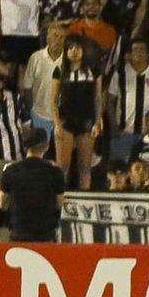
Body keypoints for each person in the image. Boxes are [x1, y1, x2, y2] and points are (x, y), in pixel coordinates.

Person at [0, 127, 63, 242]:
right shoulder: (55, 172)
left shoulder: (10, 171)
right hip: (45, 233)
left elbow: (2, 204)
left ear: (24, 147)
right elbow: (59, 204)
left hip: (19, 231)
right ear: (46, 147)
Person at [52, 38, 101, 191]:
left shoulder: (93, 70)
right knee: (62, 166)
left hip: (86, 121)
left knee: (85, 167)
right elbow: (53, 100)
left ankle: (84, 200)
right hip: (66, 122)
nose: (74, 51)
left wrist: (97, 122)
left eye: (77, 47)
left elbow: (98, 98)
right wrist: (57, 124)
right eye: (70, 48)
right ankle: (58, 200)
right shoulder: (60, 71)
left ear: (83, 50)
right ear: (65, 52)